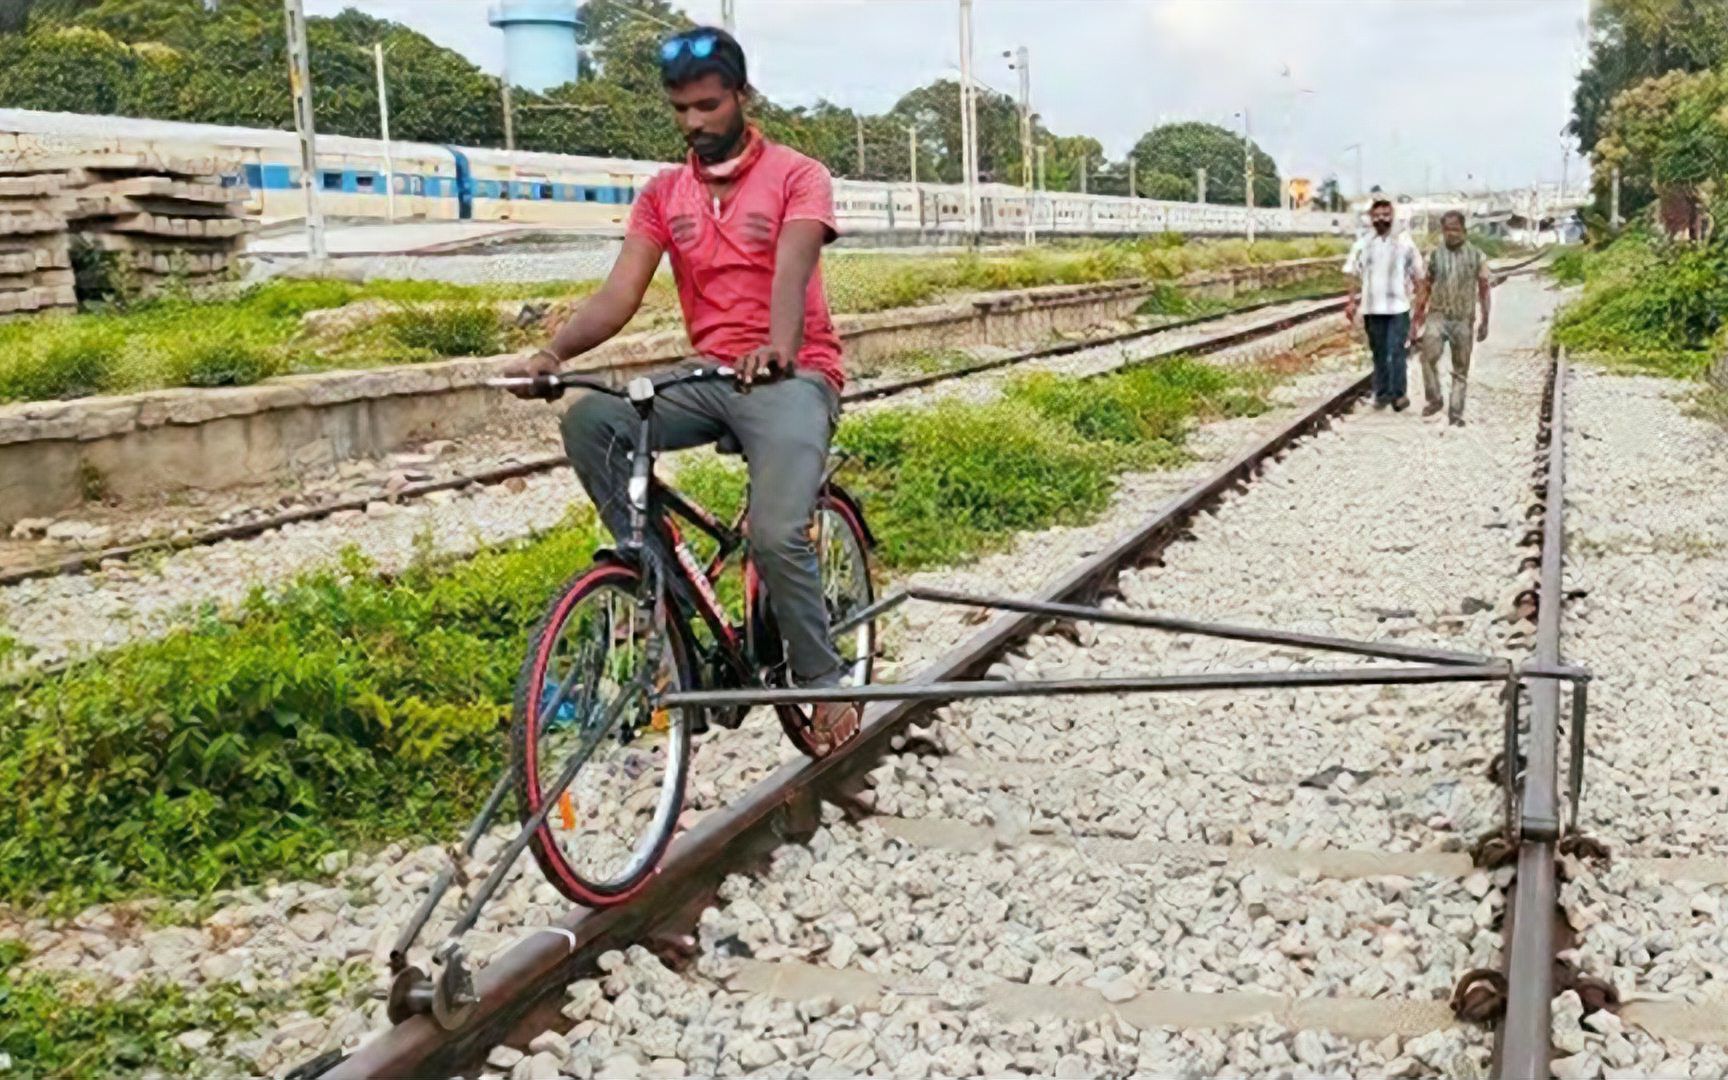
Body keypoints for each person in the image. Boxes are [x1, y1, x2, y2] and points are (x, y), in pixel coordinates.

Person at [501, 27, 859, 756]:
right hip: (709, 376)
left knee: (774, 532)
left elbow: (791, 268)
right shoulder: (665, 194)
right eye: (680, 109)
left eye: (707, 105)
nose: (694, 123)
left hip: (794, 373)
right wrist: (552, 352)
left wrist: (779, 345)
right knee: (593, 418)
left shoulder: (798, 175)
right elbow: (620, 293)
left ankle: (824, 684)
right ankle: (656, 591)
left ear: (741, 98)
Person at [1342, 198, 1427, 411]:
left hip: (1398, 308)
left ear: (1392, 216)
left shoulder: (1405, 244)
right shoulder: (1363, 244)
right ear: (1371, 218)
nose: (1382, 219)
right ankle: (1381, 393)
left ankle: (1399, 395)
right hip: (1371, 308)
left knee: (1396, 351)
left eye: (1386, 215)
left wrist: (1420, 307)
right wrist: (1351, 302)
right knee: (1379, 352)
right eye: (1377, 215)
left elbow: (1419, 277)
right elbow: (1351, 273)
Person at [1411, 210, 1491, 427]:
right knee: (1427, 359)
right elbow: (1425, 288)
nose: (1451, 234)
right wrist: (1416, 319)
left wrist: (1485, 319)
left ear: (1464, 230)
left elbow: (1484, 288)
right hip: (1437, 316)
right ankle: (1435, 399)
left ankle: (1455, 413)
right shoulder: (1435, 255)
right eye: (1447, 229)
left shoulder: (1477, 256)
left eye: (1455, 229)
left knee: (1460, 370)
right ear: (1442, 231)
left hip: (1464, 319)